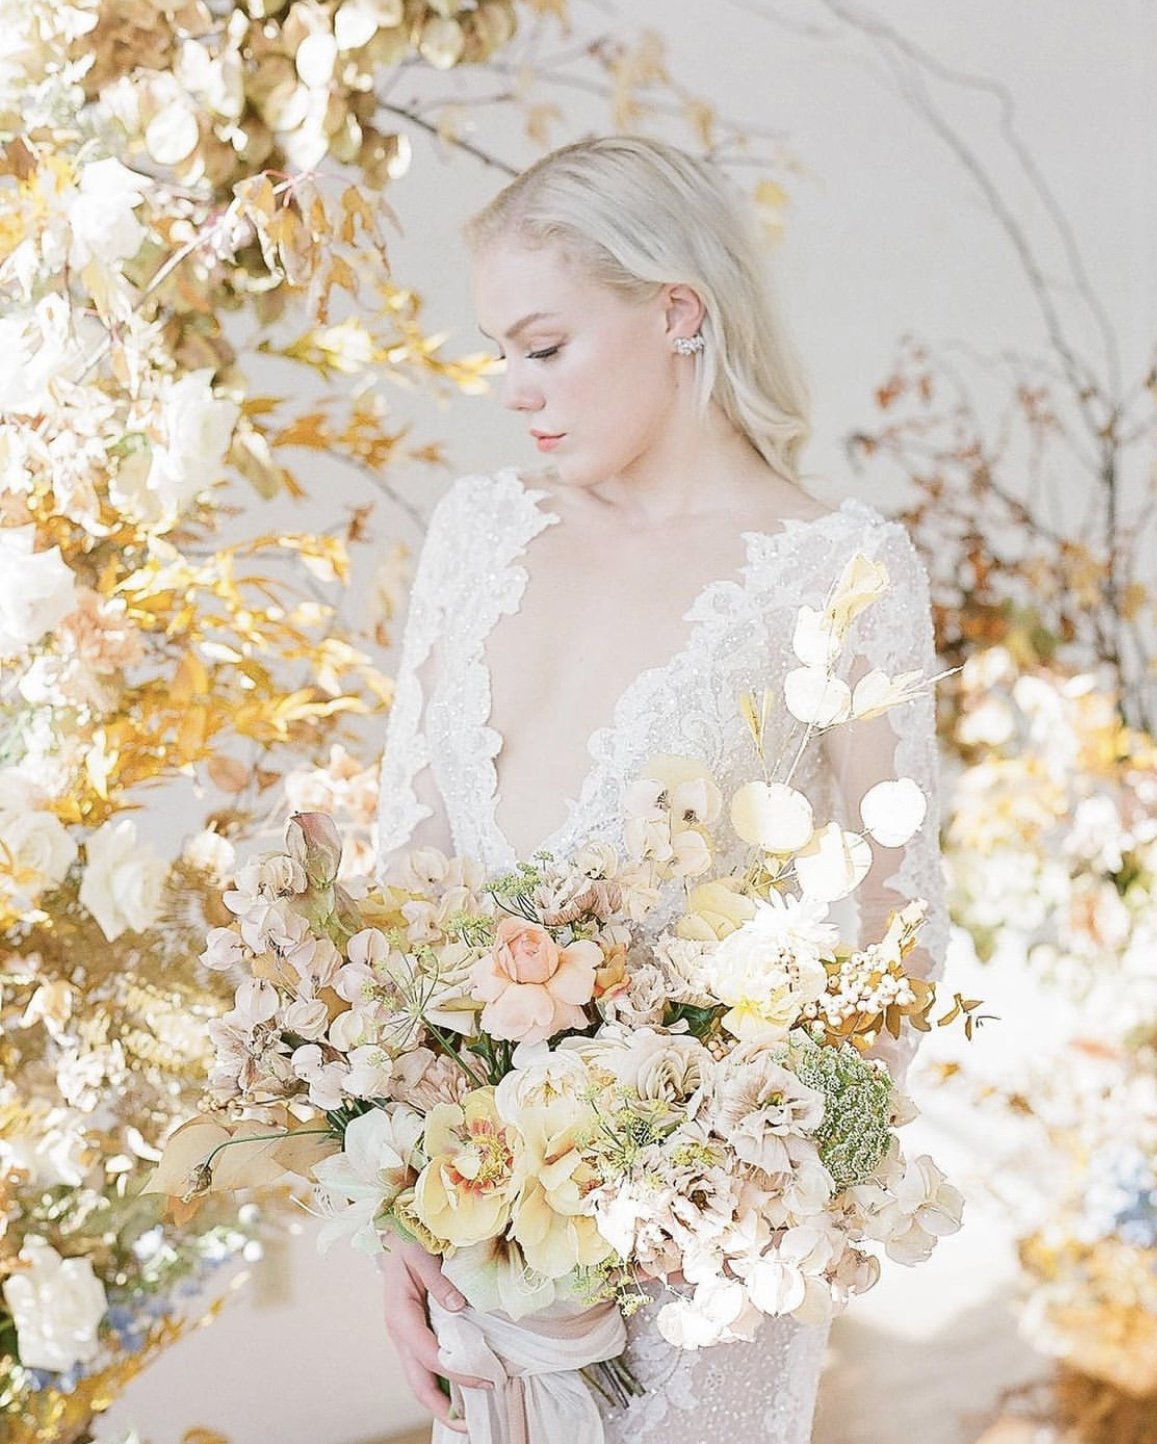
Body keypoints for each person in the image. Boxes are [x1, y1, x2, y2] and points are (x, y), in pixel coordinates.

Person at [373, 135, 945, 1444]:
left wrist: (763, 1182)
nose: (513, 389)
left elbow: (901, 917)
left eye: (543, 345)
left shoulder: (838, 570)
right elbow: (404, 878)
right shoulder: (478, 534)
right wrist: (397, 1201)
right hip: (477, 1214)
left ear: (676, 311)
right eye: (499, 352)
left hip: (709, 1249)